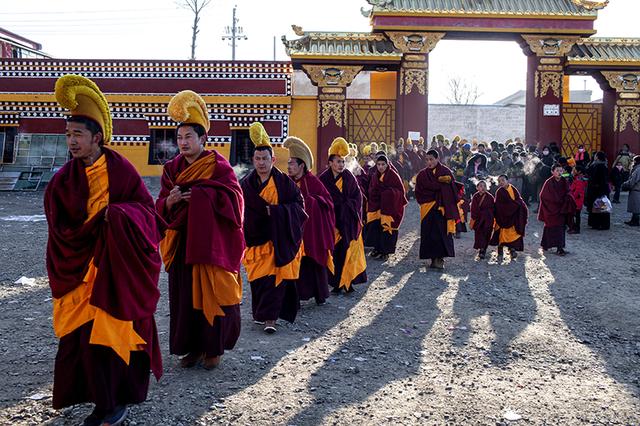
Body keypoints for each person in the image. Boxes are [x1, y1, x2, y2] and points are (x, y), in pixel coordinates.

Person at [45, 74, 163, 426]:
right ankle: (97, 398)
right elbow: (58, 225)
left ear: (97, 137)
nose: (71, 142)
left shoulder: (121, 171)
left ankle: (111, 404)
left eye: (77, 135)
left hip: (114, 271)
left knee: (108, 338)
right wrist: (86, 232)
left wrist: (118, 216)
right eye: (67, 135)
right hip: (79, 272)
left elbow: (148, 215)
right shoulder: (62, 180)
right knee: (81, 341)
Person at [156, 90, 244, 370]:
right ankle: (191, 348)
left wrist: (205, 196)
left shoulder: (218, 166)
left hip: (210, 244)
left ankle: (213, 349)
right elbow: (160, 203)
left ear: (203, 138)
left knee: (211, 294)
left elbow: (235, 199)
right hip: (182, 242)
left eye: (188, 137)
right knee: (184, 298)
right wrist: (168, 202)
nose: (182, 143)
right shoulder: (171, 168)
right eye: (179, 138)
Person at [241, 122, 308, 333]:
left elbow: (299, 207)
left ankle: (271, 319)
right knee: (258, 280)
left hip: (278, 239)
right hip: (254, 239)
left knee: (274, 279)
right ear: (253, 160)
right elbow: (239, 210)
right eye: (258, 159)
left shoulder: (285, 183)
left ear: (273, 160)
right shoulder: (245, 184)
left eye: (265, 159)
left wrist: (278, 212)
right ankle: (261, 314)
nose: (261, 163)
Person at [284, 136, 336, 305]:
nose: (289, 166)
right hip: (293, 232)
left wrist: (311, 203)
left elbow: (327, 202)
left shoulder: (313, 181)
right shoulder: (287, 182)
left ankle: (320, 294)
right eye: (288, 163)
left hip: (312, 232)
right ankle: (295, 297)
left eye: (292, 163)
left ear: (302, 165)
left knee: (313, 263)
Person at [319, 137, 367, 293]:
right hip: (332, 223)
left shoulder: (348, 177)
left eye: (343, 162)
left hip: (347, 221)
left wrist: (346, 207)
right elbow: (320, 199)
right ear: (330, 162)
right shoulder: (323, 179)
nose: (341, 165)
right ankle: (336, 283)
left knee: (348, 251)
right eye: (338, 161)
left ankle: (348, 282)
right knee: (335, 253)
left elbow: (357, 197)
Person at [415, 149, 460, 270]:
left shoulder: (445, 172)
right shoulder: (422, 174)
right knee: (429, 233)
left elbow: (452, 190)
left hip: (441, 208)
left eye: (431, 159)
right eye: (427, 160)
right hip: (427, 207)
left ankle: (440, 258)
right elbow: (418, 191)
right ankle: (432, 258)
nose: (429, 162)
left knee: (441, 233)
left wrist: (446, 184)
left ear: (437, 159)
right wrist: (438, 186)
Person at [364, 153, 408, 261]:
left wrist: (386, 194)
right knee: (376, 228)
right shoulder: (375, 176)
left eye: (383, 164)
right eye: (378, 164)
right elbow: (371, 190)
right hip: (378, 206)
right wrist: (377, 195)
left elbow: (400, 192)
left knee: (386, 228)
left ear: (387, 165)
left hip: (390, 208)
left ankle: (386, 252)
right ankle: (378, 249)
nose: (380, 167)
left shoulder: (393, 175)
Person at [538, 164, 576, 256]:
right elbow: (543, 196)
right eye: (557, 170)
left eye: (561, 171)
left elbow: (568, 191)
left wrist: (567, 198)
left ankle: (560, 248)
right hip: (551, 208)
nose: (559, 173)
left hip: (562, 208)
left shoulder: (564, 181)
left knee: (560, 227)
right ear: (552, 172)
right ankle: (546, 244)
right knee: (549, 226)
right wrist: (554, 201)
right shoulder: (548, 182)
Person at [490, 175, 528, 259]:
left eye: (503, 180)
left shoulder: (513, 189)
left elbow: (518, 199)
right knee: (502, 233)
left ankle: (512, 249)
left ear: (507, 180)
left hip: (513, 216)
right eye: (499, 181)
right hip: (503, 216)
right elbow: (499, 205)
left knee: (513, 233)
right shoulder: (499, 192)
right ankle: (500, 249)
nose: (501, 183)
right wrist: (513, 206)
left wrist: (518, 205)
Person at [470, 180, 495, 260]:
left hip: (488, 219)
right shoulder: (475, 196)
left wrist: (490, 215)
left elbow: (493, 208)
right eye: (480, 186)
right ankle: (481, 249)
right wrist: (475, 216)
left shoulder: (490, 196)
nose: (483, 187)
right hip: (479, 219)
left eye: (484, 186)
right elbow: (473, 208)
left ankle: (483, 250)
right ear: (477, 188)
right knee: (479, 234)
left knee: (486, 233)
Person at [586, 151, 611, 230]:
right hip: (594, 189)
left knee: (602, 208)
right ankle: (595, 223)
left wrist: (601, 191)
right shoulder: (595, 165)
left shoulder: (601, 166)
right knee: (595, 207)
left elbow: (602, 180)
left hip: (600, 189)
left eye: (596, 156)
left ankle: (603, 225)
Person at [568, 165, 588, 234]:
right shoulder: (579, 178)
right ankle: (575, 228)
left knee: (576, 215)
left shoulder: (579, 179)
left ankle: (576, 228)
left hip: (576, 200)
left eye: (575, 170)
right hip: (577, 200)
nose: (573, 171)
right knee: (576, 215)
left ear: (579, 171)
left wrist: (572, 196)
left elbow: (577, 191)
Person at [622, 155, 640, 226]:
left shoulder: (638, 169)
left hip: (636, 189)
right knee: (636, 206)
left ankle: (635, 221)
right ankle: (633, 220)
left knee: (636, 206)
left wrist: (625, 184)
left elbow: (633, 180)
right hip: (637, 189)